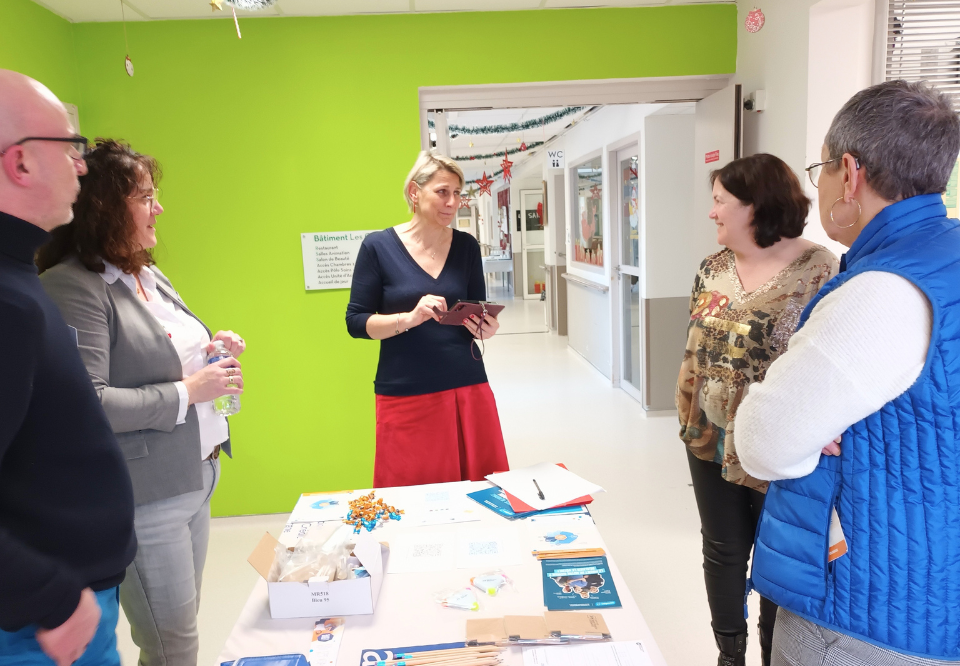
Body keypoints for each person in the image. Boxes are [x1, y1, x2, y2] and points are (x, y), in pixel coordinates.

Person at [736, 81, 960, 666]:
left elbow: (765, 442)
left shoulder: (882, 292)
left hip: (865, 614)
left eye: (824, 170)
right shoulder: (949, 257)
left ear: (851, 174)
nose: (823, 185)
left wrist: (797, 423)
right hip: (935, 587)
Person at [35, 140, 246, 666]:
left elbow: (159, 353)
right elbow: (90, 403)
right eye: (146, 197)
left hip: (197, 476)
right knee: (172, 643)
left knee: (180, 626)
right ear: (105, 207)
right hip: (147, 498)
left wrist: (210, 349)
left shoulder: (145, 273)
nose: (159, 208)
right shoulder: (73, 287)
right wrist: (188, 392)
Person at [676, 153, 839, 666]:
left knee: (776, 556)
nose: (712, 213)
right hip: (709, 432)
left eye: (721, 201)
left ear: (756, 206)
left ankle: (775, 655)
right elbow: (693, 349)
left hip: (781, 438)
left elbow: (831, 358)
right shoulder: (712, 268)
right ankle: (730, 654)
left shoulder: (820, 269)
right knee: (722, 549)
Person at [0, 70, 136, 666]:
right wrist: (47, 595)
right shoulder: (7, 303)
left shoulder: (18, 278)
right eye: (71, 147)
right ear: (20, 163)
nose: (82, 165)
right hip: (39, 624)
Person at [346, 151, 509, 487]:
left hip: (467, 386)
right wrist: (408, 318)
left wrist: (486, 328)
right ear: (414, 192)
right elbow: (356, 321)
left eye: (457, 193)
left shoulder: (466, 247)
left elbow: (477, 307)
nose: (452, 202)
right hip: (406, 391)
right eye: (442, 191)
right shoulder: (377, 247)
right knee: (411, 495)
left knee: (478, 490)